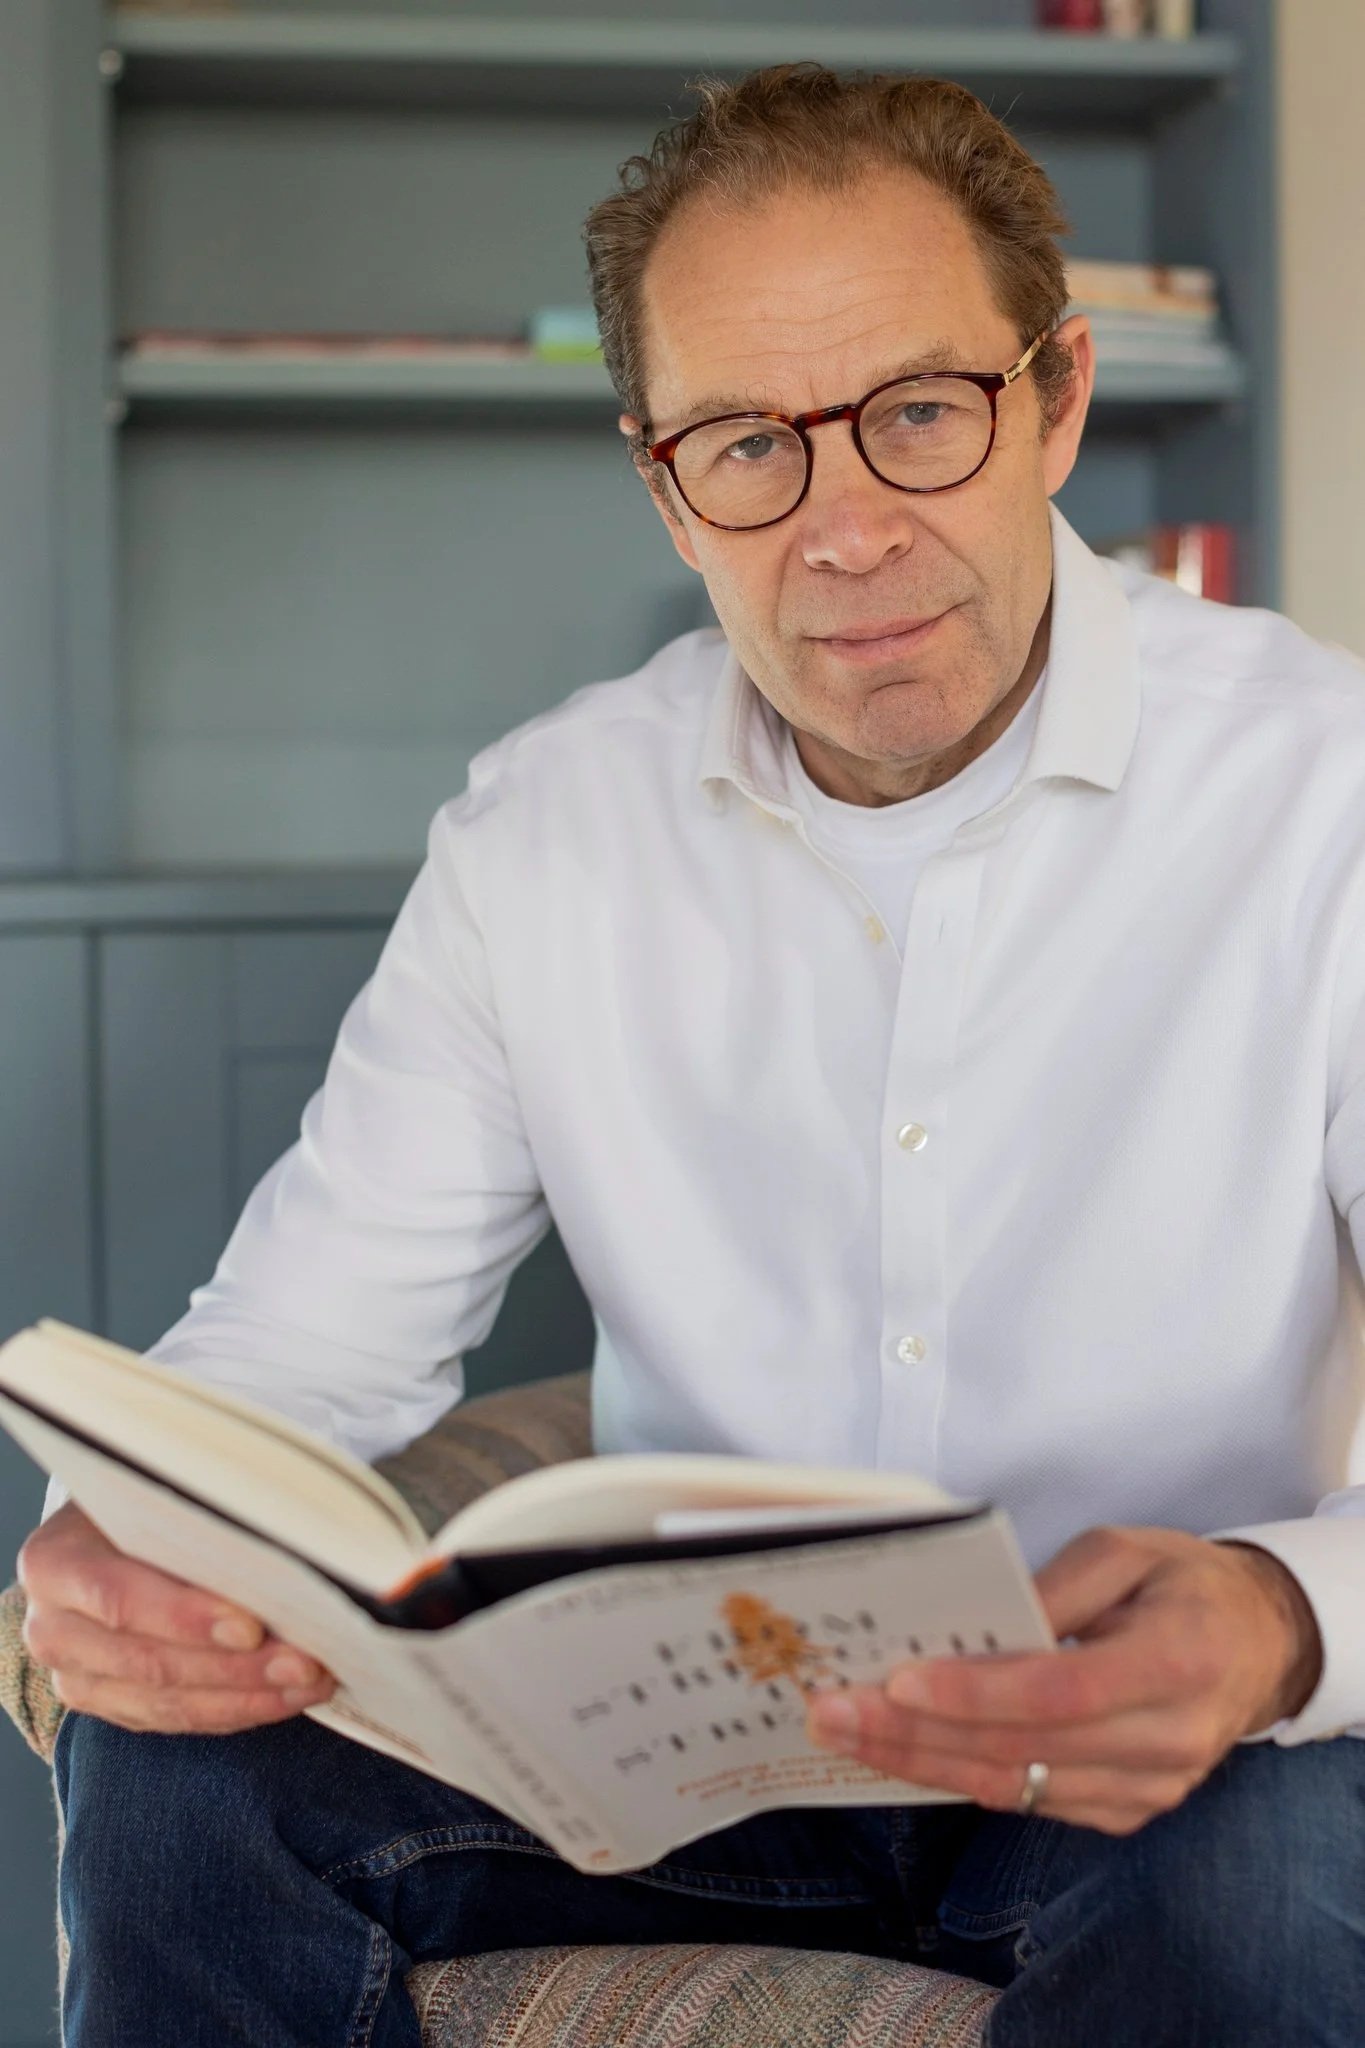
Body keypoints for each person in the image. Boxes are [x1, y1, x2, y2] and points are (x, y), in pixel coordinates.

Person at [17, 64, 1365, 2048]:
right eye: (746, 444)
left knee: (1254, 1882)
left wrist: (1277, 1618)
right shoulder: (540, 829)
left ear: (1056, 397)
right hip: (675, 1765)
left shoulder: (1324, 791)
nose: (841, 531)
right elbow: (305, 1350)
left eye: (915, 413)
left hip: (1146, 1763)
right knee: (166, 1779)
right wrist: (137, 1538)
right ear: (663, 480)